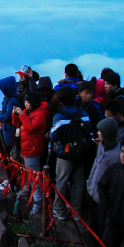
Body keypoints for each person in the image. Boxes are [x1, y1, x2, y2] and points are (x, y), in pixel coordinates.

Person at [49, 86, 91, 221]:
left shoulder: (60, 116)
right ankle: (76, 212)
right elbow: (88, 132)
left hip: (65, 153)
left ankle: (59, 210)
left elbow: (54, 136)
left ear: (60, 101)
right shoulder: (83, 114)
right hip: (82, 152)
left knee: (62, 180)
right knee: (78, 182)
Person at [85, 118, 120, 247]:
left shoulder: (117, 154)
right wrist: (89, 183)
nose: (98, 133)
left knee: (102, 229)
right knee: (92, 226)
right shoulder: (100, 146)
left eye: (100, 131)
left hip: (103, 199)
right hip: (91, 193)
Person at [12, 91, 49, 216]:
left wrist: (22, 114)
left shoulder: (40, 115)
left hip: (33, 149)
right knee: (27, 172)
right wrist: (15, 115)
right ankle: (26, 189)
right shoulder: (30, 113)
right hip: (26, 147)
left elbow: (30, 127)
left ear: (34, 103)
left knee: (35, 176)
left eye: (28, 102)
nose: (25, 104)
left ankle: (38, 202)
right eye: (25, 102)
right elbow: (17, 124)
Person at [0, 76, 21, 155]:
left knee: (9, 152)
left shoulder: (12, 100)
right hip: (8, 131)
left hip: (10, 131)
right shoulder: (9, 98)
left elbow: (8, 116)